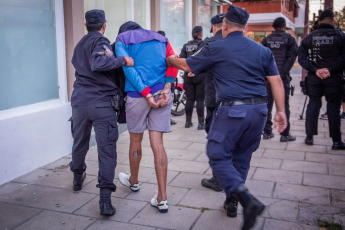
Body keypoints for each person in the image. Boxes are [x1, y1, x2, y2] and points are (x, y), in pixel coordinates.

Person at [167, 5, 287, 230]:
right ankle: (232, 202)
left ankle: (247, 199)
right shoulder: (262, 50)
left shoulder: (217, 47)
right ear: (246, 27)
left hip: (233, 111)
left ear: (224, 25)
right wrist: (280, 111)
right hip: (259, 111)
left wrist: (170, 58)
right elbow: (277, 81)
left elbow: (186, 64)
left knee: (217, 154)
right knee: (241, 158)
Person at [69, 10, 134, 216]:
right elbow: (99, 63)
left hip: (79, 103)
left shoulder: (80, 44)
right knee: (106, 151)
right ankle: (105, 201)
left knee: (79, 142)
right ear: (104, 25)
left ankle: (77, 178)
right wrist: (124, 61)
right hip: (101, 104)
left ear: (86, 25)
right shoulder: (100, 41)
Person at [115, 21, 177, 213]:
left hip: (137, 95)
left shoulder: (122, 39)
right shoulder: (162, 39)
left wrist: (146, 93)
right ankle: (162, 198)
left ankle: (133, 181)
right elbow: (173, 64)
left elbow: (128, 69)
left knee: (135, 141)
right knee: (157, 143)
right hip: (162, 95)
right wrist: (166, 88)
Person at [298, 9, 345, 149]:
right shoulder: (341, 37)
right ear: (333, 20)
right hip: (334, 78)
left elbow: (301, 58)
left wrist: (315, 70)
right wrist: (330, 70)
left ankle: (309, 137)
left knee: (313, 104)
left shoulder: (309, 37)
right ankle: (336, 141)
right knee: (333, 107)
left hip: (314, 78)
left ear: (319, 22)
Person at [261, 17, 298, 142]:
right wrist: (283, 73)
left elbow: (261, 59)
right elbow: (291, 57)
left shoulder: (266, 40)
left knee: (267, 104)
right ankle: (284, 134)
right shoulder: (290, 39)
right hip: (281, 77)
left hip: (267, 78)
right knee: (283, 105)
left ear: (273, 27)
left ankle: (266, 131)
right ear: (284, 26)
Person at [201, 14, 225, 193]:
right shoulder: (239, 43)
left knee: (216, 140)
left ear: (213, 27)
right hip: (235, 101)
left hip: (214, 100)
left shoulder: (209, 43)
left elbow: (193, 65)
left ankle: (218, 179)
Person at [180, 26, 206, 130]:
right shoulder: (203, 44)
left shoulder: (186, 45)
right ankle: (201, 123)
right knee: (200, 100)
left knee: (190, 99)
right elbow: (204, 60)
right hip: (199, 75)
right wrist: (195, 71)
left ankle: (188, 122)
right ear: (201, 34)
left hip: (188, 76)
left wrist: (188, 70)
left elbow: (181, 59)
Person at [157, 30, 177, 126]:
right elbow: (174, 60)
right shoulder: (164, 47)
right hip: (164, 81)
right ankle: (167, 119)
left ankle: (167, 119)